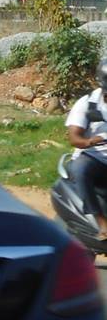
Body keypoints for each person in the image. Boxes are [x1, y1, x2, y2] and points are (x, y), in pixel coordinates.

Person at [66, 63, 107, 239]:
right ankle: (102, 223)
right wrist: (91, 141)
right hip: (94, 157)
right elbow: (74, 138)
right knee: (80, 170)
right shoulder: (88, 103)